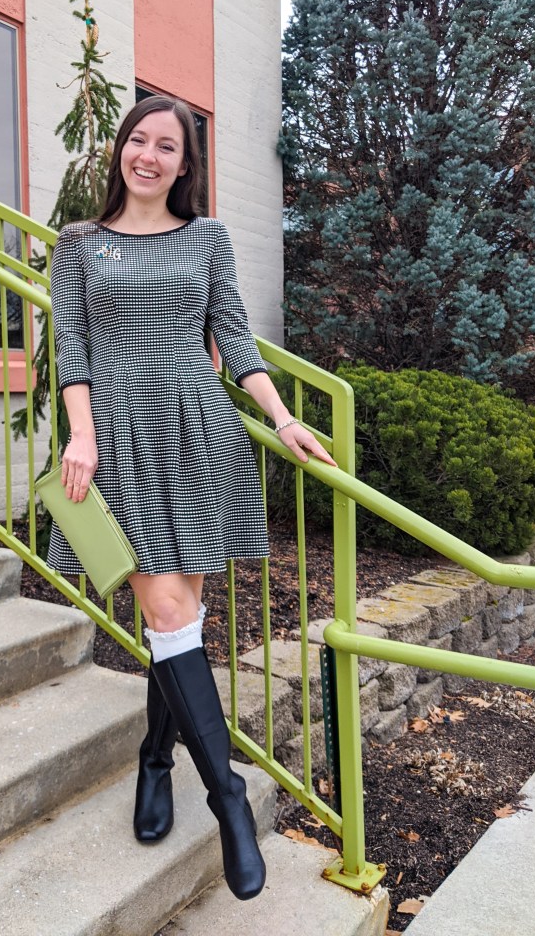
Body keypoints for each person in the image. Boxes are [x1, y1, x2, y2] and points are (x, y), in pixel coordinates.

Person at [46, 94, 336, 901]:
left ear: (184, 164)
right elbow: (71, 344)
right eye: (137, 139)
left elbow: (235, 335)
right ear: (120, 152)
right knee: (168, 615)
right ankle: (229, 797)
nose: (148, 154)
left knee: (183, 620)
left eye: (166, 145)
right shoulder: (79, 245)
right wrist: (81, 434)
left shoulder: (207, 238)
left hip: (198, 428)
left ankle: (155, 758)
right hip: (118, 436)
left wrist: (280, 418)